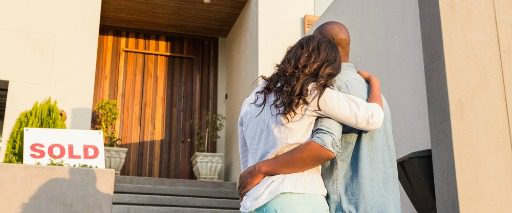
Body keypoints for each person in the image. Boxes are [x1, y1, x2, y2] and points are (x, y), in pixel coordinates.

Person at [238, 21, 401, 213]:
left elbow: (247, 160)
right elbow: (325, 145)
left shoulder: (253, 99)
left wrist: (259, 170)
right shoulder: (324, 91)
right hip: (302, 199)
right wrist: (375, 82)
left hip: (256, 202)